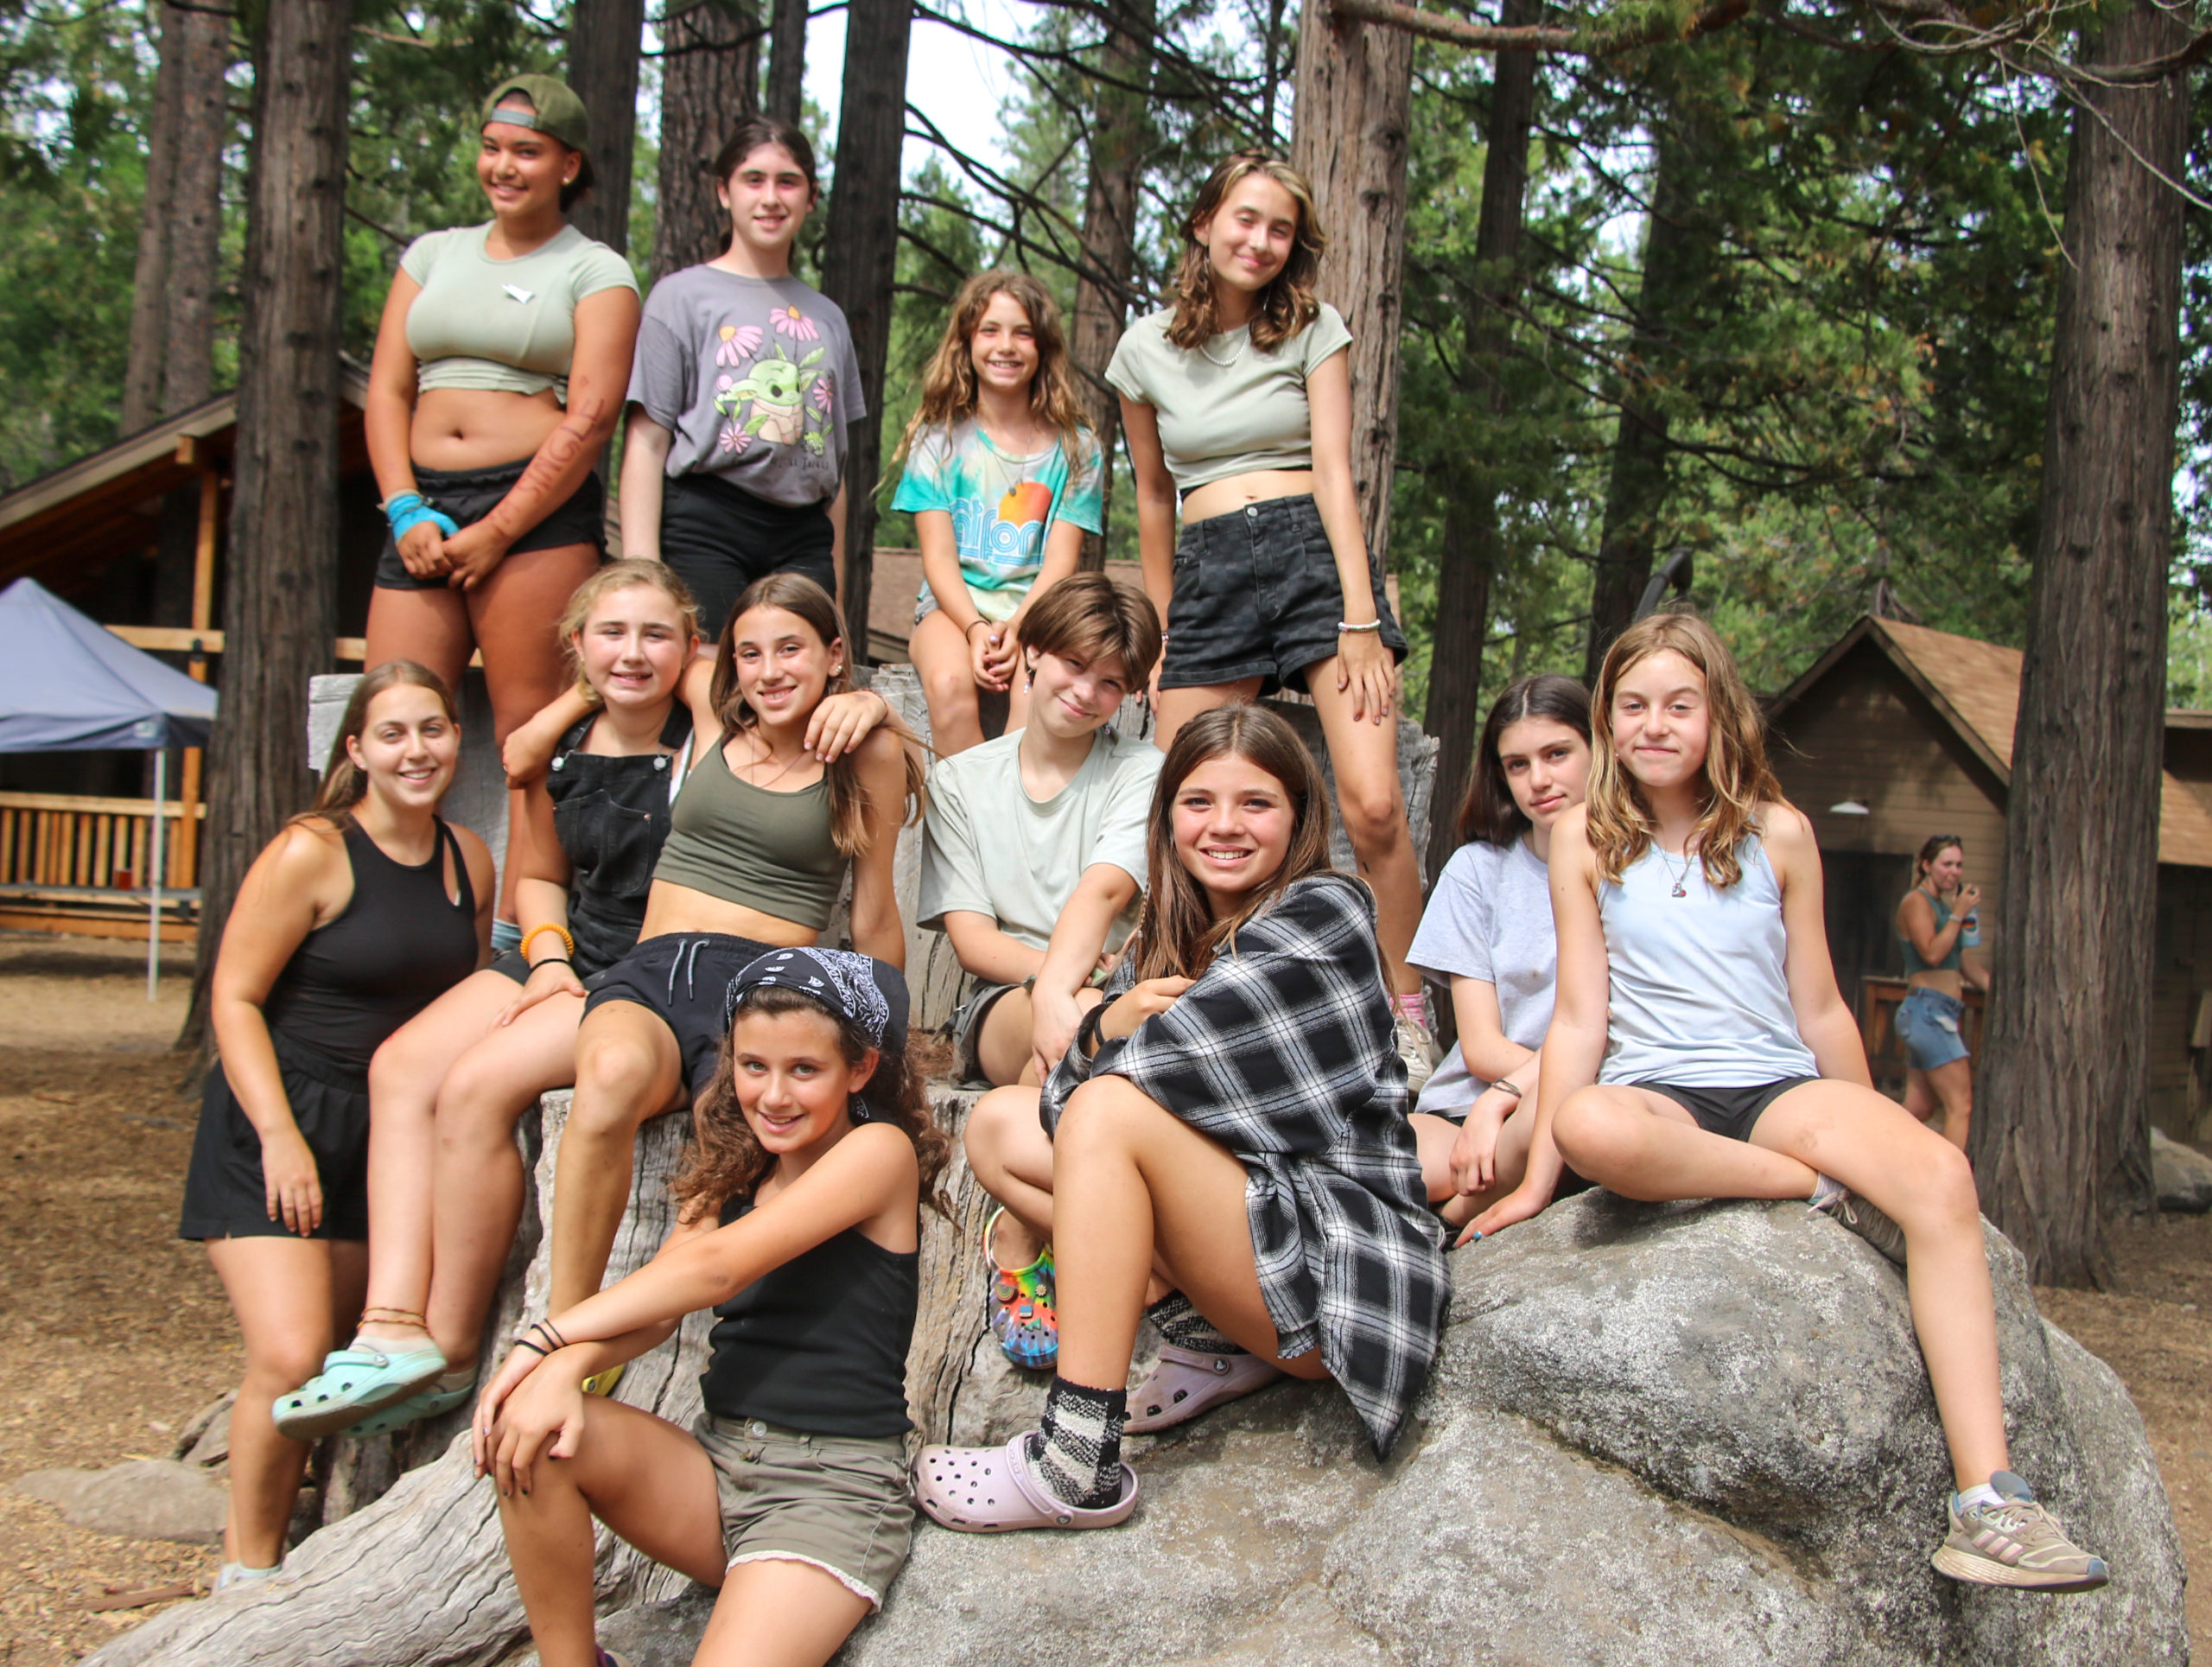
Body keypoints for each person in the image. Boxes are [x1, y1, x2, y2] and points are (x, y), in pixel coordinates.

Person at [1468, 611, 2108, 1594]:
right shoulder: (1583, 841)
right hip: (1657, 1092)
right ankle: (1811, 1184)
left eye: (1679, 704)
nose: (1654, 725)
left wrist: (1868, 1129)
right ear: (1607, 720)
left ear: (1719, 714)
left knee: (1940, 1173)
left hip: (1775, 1083)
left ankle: (1989, 1499)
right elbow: (1579, 1020)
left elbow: (1819, 1005)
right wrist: (1532, 1183)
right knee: (1588, 1123)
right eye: (1632, 706)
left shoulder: (1780, 833)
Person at [270, 563, 853, 1441]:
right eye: (609, 634)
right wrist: (546, 954)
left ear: (691, 648)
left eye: (657, 635)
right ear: (577, 646)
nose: (633, 652)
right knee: (403, 1067)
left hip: (655, 967)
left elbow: (766, 669)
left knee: (484, 1086)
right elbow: (538, 873)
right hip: (573, 956)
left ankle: (475, 1339)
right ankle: (395, 1325)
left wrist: (858, 701)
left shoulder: (711, 725)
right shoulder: (563, 746)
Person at [933, 704, 1446, 1525]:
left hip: (1329, 1268)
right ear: (1167, 815)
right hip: (1246, 1241)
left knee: (1106, 1110)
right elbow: (1066, 1099)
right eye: (1199, 801)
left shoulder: (1327, 910)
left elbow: (1123, 1088)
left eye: (1256, 803)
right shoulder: (1170, 931)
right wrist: (1109, 1021)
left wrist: (1101, 1037)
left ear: (1298, 815)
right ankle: (1208, 1336)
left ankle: (1077, 1461)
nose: (1224, 825)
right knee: (996, 1124)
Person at [476, 947, 944, 1667]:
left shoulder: (878, 1153)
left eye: (804, 1069)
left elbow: (717, 1267)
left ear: (860, 1068)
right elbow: (661, 1301)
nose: (774, 1095)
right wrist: (562, 1369)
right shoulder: (738, 1163)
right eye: (754, 1066)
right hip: (717, 1463)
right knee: (533, 1432)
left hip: (828, 1491)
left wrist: (547, 1336)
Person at [1107, 150, 1435, 1085]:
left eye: (1280, 229)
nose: (1259, 241)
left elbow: (1335, 469)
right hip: (1209, 572)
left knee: (1374, 805)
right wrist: (1165, 626)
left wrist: (1360, 616)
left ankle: (1408, 1013)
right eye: (1244, 219)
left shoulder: (1312, 327)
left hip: (1311, 559)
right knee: (1178, 796)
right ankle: (1175, 999)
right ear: (1204, 222)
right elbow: (1154, 496)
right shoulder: (1142, 350)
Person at [179, 665, 492, 1590]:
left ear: (455, 740)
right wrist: (279, 1135)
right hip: (279, 1119)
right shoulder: (312, 850)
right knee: (287, 1353)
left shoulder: (468, 859)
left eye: (432, 729)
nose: (416, 751)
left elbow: (458, 1005)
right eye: (392, 734)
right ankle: (245, 1573)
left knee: (340, 1366)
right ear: (355, 749)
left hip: (383, 1138)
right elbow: (235, 997)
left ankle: (307, 1545)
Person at [546, 573, 925, 1326]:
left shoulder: (866, 752)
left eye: (791, 649)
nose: (769, 670)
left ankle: (617, 1331)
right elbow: (636, 655)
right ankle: (561, 1325)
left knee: (729, 1150)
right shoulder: (716, 716)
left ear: (834, 654)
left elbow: (877, 912)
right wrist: (539, 731)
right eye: (750, 653)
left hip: (754, 992)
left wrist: (874, 704)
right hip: (648, 971)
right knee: (608, 1077)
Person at [363, 74, 640, 940]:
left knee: (529, 734)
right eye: (492, 148)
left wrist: (498, 530)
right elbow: (387, 389)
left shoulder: (595, 270)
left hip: (533, 515)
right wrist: (403, 508)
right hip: (421, 509)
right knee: (393, 713)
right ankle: (382, 931)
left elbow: (591, 416)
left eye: (526, 151)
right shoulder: (431, 255)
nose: (504, 166)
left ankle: (524, 940)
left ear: (568, 165)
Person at [918, 573, 1163, 1370]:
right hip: (1003, 1002)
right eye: (1073, 664)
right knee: (1084, 1015)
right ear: (1031, 653)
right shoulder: (960, 781)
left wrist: (1083, 989)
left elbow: (1111, 888)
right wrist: (1059, 983)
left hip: (1115, 993)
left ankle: (1032, 1219)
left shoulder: (1143, 769)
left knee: (1103, 1017)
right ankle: (1044, 1228)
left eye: (1111, 682)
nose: (1086, 692)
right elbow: (973, 940)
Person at [623, 117, 864, 639]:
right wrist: (642, 577)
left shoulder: (828, 319)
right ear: (723, 191)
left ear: (811, 197)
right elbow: (646, 441)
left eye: (787, 182)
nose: (770, 198)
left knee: (803, 672)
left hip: (802, 532)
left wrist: (837, 604)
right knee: (708, 670)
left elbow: (834, 471)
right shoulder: (680, 297)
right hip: (707, 522)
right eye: (753, 180)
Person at [1405, 674, 1593, 1231]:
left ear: (1600, 749)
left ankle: (1457, 1218)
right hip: (1468, 1102)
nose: (1539, 780)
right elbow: (1483, 1048)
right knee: (1358, 1167)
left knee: (1559, 1123)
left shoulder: (1639, 872)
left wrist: (1529, 1094)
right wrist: (1499, 1101)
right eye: (1517, 764)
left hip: (1579, 1096)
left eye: (1557, 754)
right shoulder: (1477, 870)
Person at [891, 270, 1105, 754]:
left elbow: (1061, 562)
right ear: (967, 342)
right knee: (948, 685)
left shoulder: (1078, 449)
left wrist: (1020, 627)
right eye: (990, 330)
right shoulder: (938, 440)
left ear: (1043, 346)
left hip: (1039, 612)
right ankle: (964, 804)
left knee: (1034, 700)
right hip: (951, 610)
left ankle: (1012, 801)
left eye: (1022, 333)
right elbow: (939, 558)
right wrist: (975, 629)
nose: (1005, 346)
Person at [1895, 834, 1989, 1153]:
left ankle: (1872, 1160)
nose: (1954, 872)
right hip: (1928, 1012)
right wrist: (1958, 914)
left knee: (1919, 1108)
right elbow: (1932, 953)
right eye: (1947, 864)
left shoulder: (1942, 906)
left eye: (1959, 865)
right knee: (1960, 1105)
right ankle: (1951, 1179)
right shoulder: (1916, 902)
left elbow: (1959, 961)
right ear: (1926, 865)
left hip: (1941, 1012)